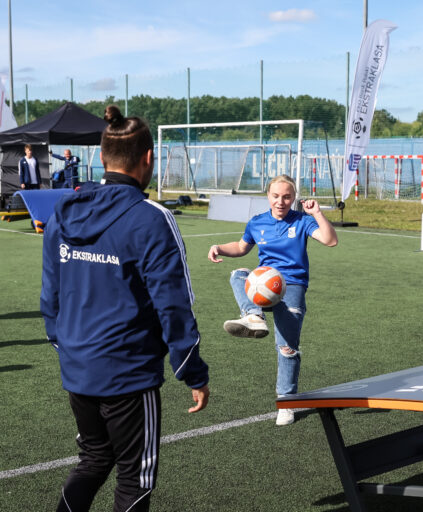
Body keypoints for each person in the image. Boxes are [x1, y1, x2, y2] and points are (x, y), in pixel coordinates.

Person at [41, 105, 210, 512]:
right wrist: (193, 371)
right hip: (128, 374)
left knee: (94, 460)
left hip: (78, 366)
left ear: (101, 157)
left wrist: (66, 348)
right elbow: (174, 306)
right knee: (136, 480)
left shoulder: (61, 214)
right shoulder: (152, 219)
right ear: (149, 157)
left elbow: (51, 297)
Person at [207, 175, 337, 426]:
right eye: (276, 196)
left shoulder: (302, 221)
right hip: (264, 285)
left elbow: (330, 240)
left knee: (287, 348)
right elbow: (241, 248)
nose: (281, 201)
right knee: (238, 274)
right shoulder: (257, 222)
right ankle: (254, 316)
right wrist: (219, 247)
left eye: (287, 197)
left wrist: (318, 213)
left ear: (294, 198)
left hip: (292, 287)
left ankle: (286, 402)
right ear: (268, 196)